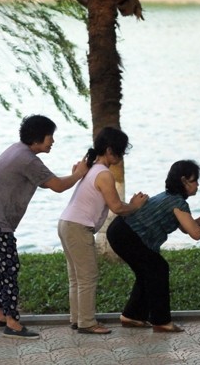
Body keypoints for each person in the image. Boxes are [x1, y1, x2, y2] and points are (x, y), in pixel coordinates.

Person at [0, 114, 89, 339]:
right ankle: (12, 323)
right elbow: (57, 186)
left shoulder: (18, 150)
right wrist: (79, 174)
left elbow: (46, 182)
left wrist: (73, 175)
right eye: (49, 137)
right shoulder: (28, 160)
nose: (52, 141)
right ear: (38, 138)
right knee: (9, 268)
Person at [106, 160, 200, 333]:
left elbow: (186, 227)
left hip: (119, 231)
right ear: (184, 181)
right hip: (127, 234)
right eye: (195, 180)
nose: (197, 185)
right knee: (158, 269)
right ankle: (161, 321)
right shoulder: (178, 203)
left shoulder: (171, 198)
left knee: (148, 272)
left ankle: (132, 316)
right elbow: (196, 233)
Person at [58, 127, 147, 335]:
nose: (122, 156)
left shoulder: (91, 168)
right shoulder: (103, 174)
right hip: (77, 227)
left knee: (77, 277)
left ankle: (77, 319)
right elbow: (117, 207)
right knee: (88, 276)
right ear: (109, 150)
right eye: (120, 151)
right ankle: (87, 322)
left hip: (66, 223)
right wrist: (136, 205)